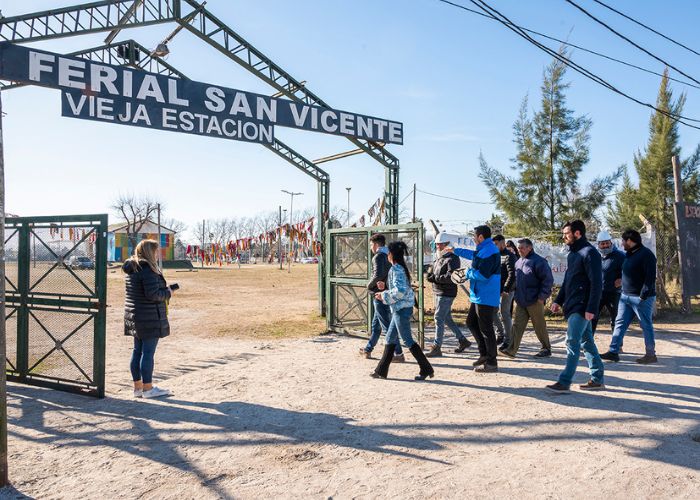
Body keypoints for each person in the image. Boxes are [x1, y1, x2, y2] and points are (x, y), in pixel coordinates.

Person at [547, 220, 605, 394]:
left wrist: (591, 309)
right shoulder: (573, 255)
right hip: (573, 304)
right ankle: (597, 379)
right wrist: (558, 300)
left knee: (572, 341)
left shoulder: (590, 253)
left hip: (583, 306)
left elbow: (597, 284)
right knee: (586, 342)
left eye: (566, 233)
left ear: (577, 233)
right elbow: (567, 281)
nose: (564, 236)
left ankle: (564, 381)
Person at [371, 241, 434, 381]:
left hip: (401, 309)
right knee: (390, 338)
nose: (387, 254)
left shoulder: (396, 269)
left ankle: (426, 368)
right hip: (400, 308)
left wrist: (383, 295)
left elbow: (400, 291)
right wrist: (385, 287)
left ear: (392, 254)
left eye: (388, 252)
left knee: (407, 340)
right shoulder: (398, 268)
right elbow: (399, 288)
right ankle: (381, 370)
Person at [123, 239, 176, 399]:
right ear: (149, 252)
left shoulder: (133, 269)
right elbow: (153, 294)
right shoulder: (148, 270)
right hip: (149, 316)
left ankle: (138, 387)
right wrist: (168, 293)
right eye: (155, 251)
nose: (157, 254)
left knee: (137, 351)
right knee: (147, 353)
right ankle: (148, 388)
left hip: (134, 316)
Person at [601, 229, 658, 364]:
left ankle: (651, 355)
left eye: (623, 241)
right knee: (619, 323)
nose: (622, 243)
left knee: (645, 325)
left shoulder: (647, 255)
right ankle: (613, 351)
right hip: (625, 296)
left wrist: (643, 296)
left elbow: (650, 278)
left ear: (630, 241)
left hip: (641, 298)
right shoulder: (629, 254)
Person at [451, 225, 501, 373]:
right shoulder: (484, 249)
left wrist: (467, 272)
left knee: (486, 329)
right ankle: (484, 354)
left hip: (486, 295)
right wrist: (455, 250)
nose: (473, 238)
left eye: (474, 236)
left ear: (480, 237)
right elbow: (473, 255)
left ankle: (491, 362)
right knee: (471, 322)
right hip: (479, 295)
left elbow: (483, 275)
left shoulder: (490, 251)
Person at [499, 238, 553, 358]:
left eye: (522, 248)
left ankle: (546, 348)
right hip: (521, 300)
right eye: (519, 248)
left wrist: (541, 297)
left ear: (530, 247)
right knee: (517, 326)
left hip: (535, 301)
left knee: (539, 326)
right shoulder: (518, 262)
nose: (520, 250)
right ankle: (511, 350)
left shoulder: (539, 261)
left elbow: (548, 281)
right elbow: (516, 280)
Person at [425, 232, 471, 357]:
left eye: (440, 244)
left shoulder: (453, 258)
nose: (438, 247)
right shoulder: (440, 258)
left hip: (447, 293)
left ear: (447, 244)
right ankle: (463, 340)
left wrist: (435, 278)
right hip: (438, 291)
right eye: (437, 245)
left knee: (438, 318)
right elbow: (434, 273)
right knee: (446, 318)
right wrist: (430, 275)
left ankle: (437, 346)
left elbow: (451, 277)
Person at [360, 233, 404, 362]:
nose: (370, 247)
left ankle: (398, 353)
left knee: (386, 326)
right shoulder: (389, 255)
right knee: (376, 325)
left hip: (380, 295)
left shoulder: (378, 257)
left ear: (375, 244)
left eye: (371, 244)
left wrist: (369, 285)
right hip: (388, 293)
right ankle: (368, 349)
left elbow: (378, 274)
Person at [592, 230, 625, 334]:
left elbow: (631, 271)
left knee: (616, 319)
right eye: (602, 244)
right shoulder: (596, 257)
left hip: (614, 293)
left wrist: (622, 279)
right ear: (598, 245)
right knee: (592, 317)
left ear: (611, 242)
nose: (605, 245)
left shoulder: (620, 256)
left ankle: (617, 345)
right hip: (598, 293)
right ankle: (588, 344)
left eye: (607, 243)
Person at [492, 235, 517, 348]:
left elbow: (512, 274)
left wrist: (505, 289)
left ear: (502, 243)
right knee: (493, 312)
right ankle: (500, 334)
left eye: (496, 244)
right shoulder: (495, 255)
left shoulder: (510, 256)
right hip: (495, 289)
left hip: (507, 290)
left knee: (505, 314)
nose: (495, 246)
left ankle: (508, 340)